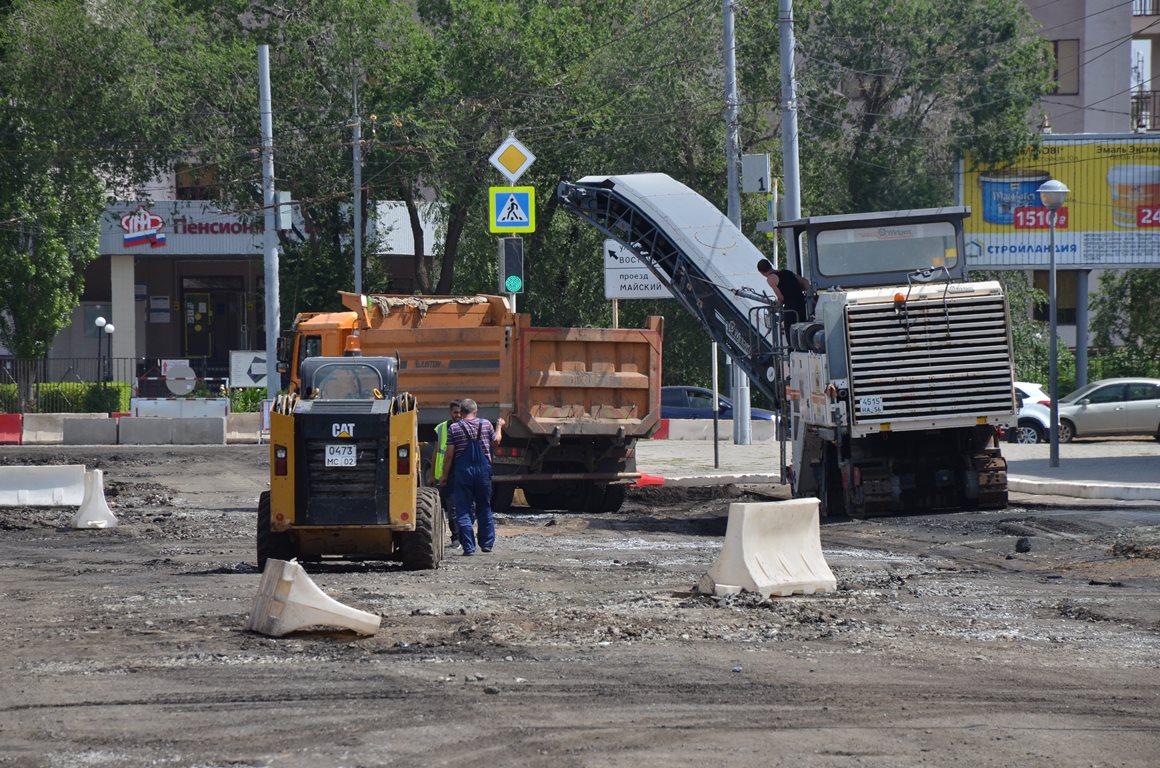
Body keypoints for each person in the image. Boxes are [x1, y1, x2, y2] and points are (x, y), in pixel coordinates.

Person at [439, 398, 504, 556]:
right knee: (484, 507)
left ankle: (468, 547)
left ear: (460, 412)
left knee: (463, 510)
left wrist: (444, 476)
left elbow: (449, 455)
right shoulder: (487, 424)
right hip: (483, 472)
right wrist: (499, 426)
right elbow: (496, 442)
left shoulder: (454, 428)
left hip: (463, 473)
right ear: (476, 411)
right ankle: (487, 543)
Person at [757, 258, 811, 341]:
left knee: (790, 331)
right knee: (802, 328)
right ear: (770, 265)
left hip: (791, 306)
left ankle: (792, 349)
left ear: (761, 272)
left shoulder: (771, 279)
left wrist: (777, 305)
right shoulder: (787, 272)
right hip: (802, 303)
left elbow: (781, 297)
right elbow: (805, 283)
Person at [432, 400, 462, 546]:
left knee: (462, 507)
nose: (458, 415)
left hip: (461, 473)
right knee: (450, 508)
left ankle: (460, 536)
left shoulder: (467, 427)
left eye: (460, 412)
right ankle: (455, 537)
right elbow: (436, 451)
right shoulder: (442, 428)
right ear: (450, 413)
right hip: (445, 474)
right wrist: (432, 475)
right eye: (455, 412)